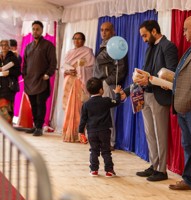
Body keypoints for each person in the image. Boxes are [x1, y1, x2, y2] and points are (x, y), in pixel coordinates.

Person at [122, 20, 178, 181]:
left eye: (145, 35)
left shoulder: (169, 46)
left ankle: (162, 170)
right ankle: (154, 165)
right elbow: (146, 72)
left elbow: (171, 74)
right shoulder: (150, 48)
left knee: (160, 134)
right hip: (145, 94)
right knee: (150, 133)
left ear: (154, 31)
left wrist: (150, 80)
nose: (144, 39)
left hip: (160, 96)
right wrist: (128, 90)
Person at [169, 15, 191, 200]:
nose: (184, 33)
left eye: (186, 29)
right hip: (184, 106)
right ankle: (190, 179)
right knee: (188, 145)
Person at [93, 21, 127, 150]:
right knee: (100, 114)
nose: (103, 32)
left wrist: (107, 82)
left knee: (109, 114)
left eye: (106, 30)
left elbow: (120, 69)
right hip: (100, 84)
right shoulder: (103, 45)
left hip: (108, 84)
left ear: (113, 31)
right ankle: (101, 140)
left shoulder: (116, 45)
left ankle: (110, 142)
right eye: (101, 30)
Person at [78, 77, 121, 177]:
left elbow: (83, 119)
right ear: (101, 90)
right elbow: (117, 102)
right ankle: (109, 171)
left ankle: (94, 170)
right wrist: (117, 93)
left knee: (94, 150)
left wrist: (81, 132)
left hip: (91, 132)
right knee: (106, 151)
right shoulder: (106, 101)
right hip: (104, 131)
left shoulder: (86, 104)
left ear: (88, 91)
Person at [22, 20, 57, 136]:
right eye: (33, 29)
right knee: (33, 104)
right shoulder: (28, 46)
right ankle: (35, 125)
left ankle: (39, 127)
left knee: (40, 103)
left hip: (42, 80)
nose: (35, 31)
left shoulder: (48, 45)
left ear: (42, 31)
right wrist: (24, 75)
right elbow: (25, 63)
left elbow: (53, 63)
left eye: (37, 29)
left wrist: (48, 74)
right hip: (30, 81)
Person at [62, 32, 95, 142]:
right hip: (69, 82)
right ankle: (69, 133)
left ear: (84, 40)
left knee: (78, 109)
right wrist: (67, 71)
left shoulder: (87, 51)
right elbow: (63, 67)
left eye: (79, 39)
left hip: (79, 82)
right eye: (74, 38)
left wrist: (80, 69)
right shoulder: (69, 52)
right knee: (69, 109)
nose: (76, 41)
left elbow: (91, 68)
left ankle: (79, 134)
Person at [0, 39, 21, 123]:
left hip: (9, 86)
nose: (4, 47)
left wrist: (8, 72)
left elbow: (18, 72)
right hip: (1, 85)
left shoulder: (13, 57)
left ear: (9, 47)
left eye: (5, 45)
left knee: (6, 107)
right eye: (2, 45)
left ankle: (8, 128)